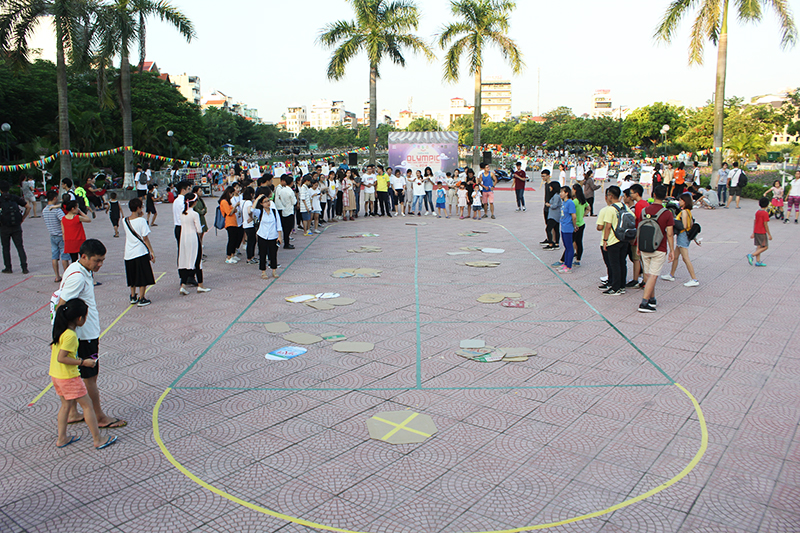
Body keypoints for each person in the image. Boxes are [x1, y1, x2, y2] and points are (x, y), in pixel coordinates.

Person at [58, 239, 127, 428]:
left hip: (83, 334)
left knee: (76, 376)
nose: (100, 264)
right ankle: (100, 417)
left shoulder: (78, 268)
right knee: (90, 378)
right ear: (84, 257)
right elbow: (61, 306)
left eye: (102, 260)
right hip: (84, 336)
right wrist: (66, 336)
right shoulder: (78, 277)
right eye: (97, 260)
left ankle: (72, 412)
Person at [50, 298, 117, 450]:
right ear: (80, 318)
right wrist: (83, 362)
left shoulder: (59, 330)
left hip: (56, 375)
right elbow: (62, 358)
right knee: (88, 407)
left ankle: (62, 438)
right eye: (85, 317)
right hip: (69, 377)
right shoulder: (71, 336)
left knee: (65, 406)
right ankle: (98, 439)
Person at [637, 184, 675, 313]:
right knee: (653, 275)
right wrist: (672, 250)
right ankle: (644, 302)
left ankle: (652, 299)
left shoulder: (644, 211)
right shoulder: (667, 213)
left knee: (648, 274)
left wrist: (638, 246)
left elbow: (639, 229)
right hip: (659, 247)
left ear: (653, 195)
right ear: (665, 197)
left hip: (644, 246)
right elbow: (669, 233)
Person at [122, 198, 155, 306]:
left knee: (132, 276)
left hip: (128, 253)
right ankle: (142, 298)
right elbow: (145, 238)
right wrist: (151, 251)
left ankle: (133, 296)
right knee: (143, 276)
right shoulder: (142, 221)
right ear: (138, 208)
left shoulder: (125, 220)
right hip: (140, 252)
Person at [662, 193, 700, 287]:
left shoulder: (683, 212)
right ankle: (671, 274)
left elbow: (684, 226)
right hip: (685, 236)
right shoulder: (688, 211)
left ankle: (694, 279)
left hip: (682, 236)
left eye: (680, 200)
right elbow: (690, 225)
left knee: (685, 258)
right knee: (676, 256)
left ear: (684, 201)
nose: (679, 202)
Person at [178, 193, 211, 294]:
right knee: (197, 261)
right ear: (194, 202)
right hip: (193, 238)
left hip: (184, 238)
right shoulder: (195, 214)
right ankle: (200, 285)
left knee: (185, 260)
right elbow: (199, 230)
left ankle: (183, 285)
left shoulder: (182, 213)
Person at [599, 186, 628, 295]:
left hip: (613, 239)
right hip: (624, 238)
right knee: (622, 263)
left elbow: (607, 226)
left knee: (614, 264)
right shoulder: (624, 206)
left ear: (610, 196)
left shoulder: (611, 209)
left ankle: (615, 287)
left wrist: (605, 240)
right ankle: (622, 285)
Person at [0, 180, 31, 274]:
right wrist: (22, 218)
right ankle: (24, 267)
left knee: (5, 248)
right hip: (16, 226)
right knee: (20, 246)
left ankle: (8, 267)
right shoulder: (14, 198)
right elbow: (28, 207)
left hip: (4, 227)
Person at [253, 192, 283, 279]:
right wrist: (258, 198)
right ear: (262, 204)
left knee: (273, 253)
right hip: (262, 235)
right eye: (265, 201)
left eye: (268, 201)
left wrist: (279, 236)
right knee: (262, 254)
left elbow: (278, 224)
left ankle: (274, 270)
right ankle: (263, 271)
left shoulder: (273, 211)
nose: (268, 203)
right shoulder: (260, 212)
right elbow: (251, 210)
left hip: (273, 236)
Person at [42, 190, 70, 282]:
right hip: (60, 235)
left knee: (54, 256)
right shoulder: (57, 210)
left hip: (52, 235)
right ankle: (66, 276)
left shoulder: (45, 210)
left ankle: (57, 276)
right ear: (54, 198)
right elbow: (64, 219)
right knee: (64, 256)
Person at [557, 187, 577, 273]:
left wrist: (574, 225)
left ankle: (569, 266)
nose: (560, 194)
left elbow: (574, 216)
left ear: (567, 193)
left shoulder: (570, 203)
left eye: (562, 192)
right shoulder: (564, 202)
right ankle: (565, 264)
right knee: (566, 246)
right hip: (563, 227)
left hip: (568, 228)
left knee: (569, 247)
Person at [748, 197, 772, 267]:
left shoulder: (757, 212)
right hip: (762, 232)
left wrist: (753, 232)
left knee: (759, 246)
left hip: (757, 231)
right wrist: (769, 234)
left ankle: (758, 261)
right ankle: (751, 255)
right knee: (765, 247)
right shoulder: (765, 213)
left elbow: (755, 222)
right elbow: (765, 224)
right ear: (767, 205)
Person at [275, 175, 297, 248]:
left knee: (285, 228)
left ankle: (286, 242)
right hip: (289, 210)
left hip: (284, 210)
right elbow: (294, 202)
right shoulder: (290, 191)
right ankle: (286, 243)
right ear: (291, 183)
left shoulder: (282, 190)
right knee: (289, 227)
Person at [220, 186, 241, 263]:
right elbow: (229, 212)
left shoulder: (228, 202)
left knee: (234, 239)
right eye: (232, 194)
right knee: (231, 240)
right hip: (229, 223)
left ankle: (232, 254)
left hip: (234, 222)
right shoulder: (224, 202)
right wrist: (235, 206)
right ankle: (228, 256)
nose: (232, 196)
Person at [544, 181, 562, 250]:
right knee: (556, 229)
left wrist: (549, 205)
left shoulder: (556, 196)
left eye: (551, 187)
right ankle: (556, 243)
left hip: (554, 215)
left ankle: (551, 243)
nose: (550, 188)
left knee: (548, 229)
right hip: (555, 215)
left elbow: (555, 205)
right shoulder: (556, 195)